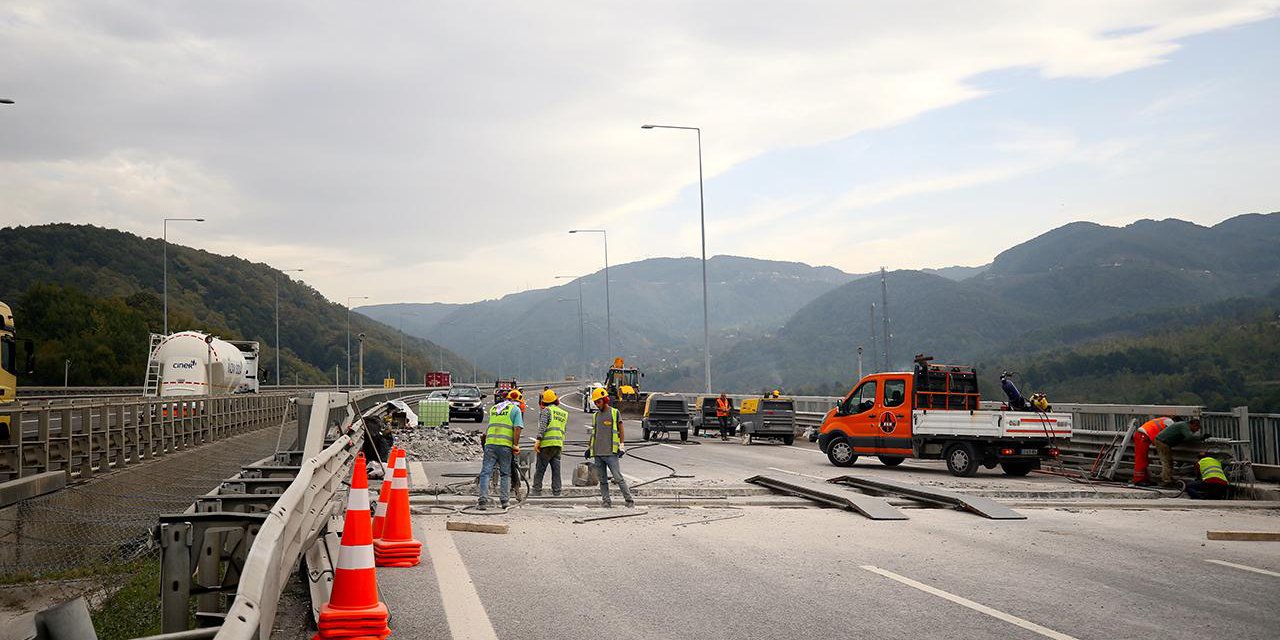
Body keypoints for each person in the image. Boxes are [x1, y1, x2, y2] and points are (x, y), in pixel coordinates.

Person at [585, 387, 634, 508]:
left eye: (599, 402)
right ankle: (606, 502)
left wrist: (621, 445)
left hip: (611, 453)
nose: (597, 404)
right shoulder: (595, 416)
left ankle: (629, 500)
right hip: (598, 453)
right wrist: (589, 448)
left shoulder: (614, 412)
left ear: (605, 400)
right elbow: (594, 434)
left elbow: (621, 429)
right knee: (602, 480)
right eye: (595, 402)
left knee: (618, 478)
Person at [477, 389, 523, 510]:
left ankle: (482, 501)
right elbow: (517, 428)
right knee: (505, 473)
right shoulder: (515, 409)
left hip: (490, 444)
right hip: (505, 445)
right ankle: (504, 501)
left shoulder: (495, 409)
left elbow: (488, 429)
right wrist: (516, 445)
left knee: (486, 472)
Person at [532, 388, 568, 496]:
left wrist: (538, 440)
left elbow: (542, 427)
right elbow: (564, 429)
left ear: (544, 401)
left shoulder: (546, 411)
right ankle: (557, 491)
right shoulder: (563, 413)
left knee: (540, 469)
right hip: (558, 444)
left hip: (546, 445)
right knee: (556, 470)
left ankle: (536, 491)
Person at [1154, 417, 1205, 486]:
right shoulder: (1184, 426)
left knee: (1169, 462)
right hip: (1163, 442)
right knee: (1167, 462)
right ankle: (1166, 480)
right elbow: (1189, 437)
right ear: (1193, 425)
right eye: (1197, 427)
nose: (1197, 430)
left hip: (1163, 441)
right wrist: (1202, 437)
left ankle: (1168, 478)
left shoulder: (1183, 425)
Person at [1131, 416, 1173, 486]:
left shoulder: (1164, 419)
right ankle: (1138, 480)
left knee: (1144, 459)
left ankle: (1145, 479)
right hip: (1142, 436)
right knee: (1141, 459)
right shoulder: (1170, 423)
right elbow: (1161, 436)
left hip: (1143, 435)